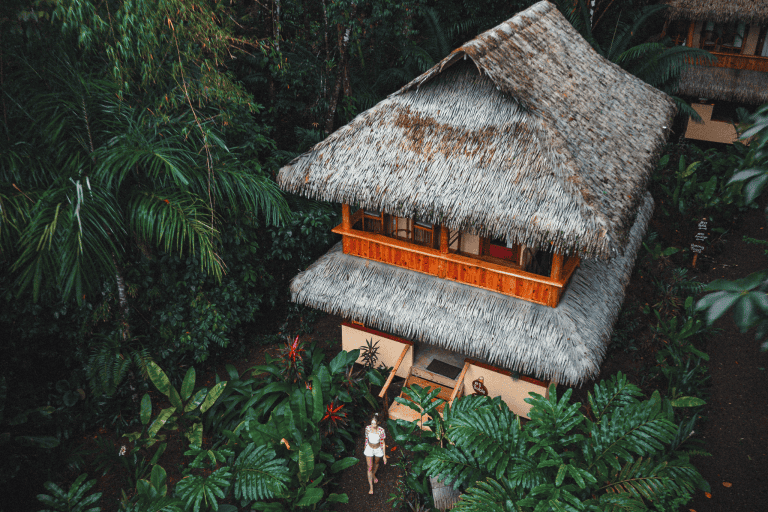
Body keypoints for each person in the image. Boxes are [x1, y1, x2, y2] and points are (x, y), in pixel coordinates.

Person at [364, 412, 386, 494]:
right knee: (369, 466)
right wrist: (365, 446)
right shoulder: (367, 428)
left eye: (375, 423)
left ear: (378, 423)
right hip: (369, 449)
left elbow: (383, 443)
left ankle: (373, 474)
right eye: (371, 423)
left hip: (378, 449)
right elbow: (366, 438)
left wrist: (384, 456)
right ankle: (371, 487)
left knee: (376, 463)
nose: (373, 425)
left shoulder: (381, 431)